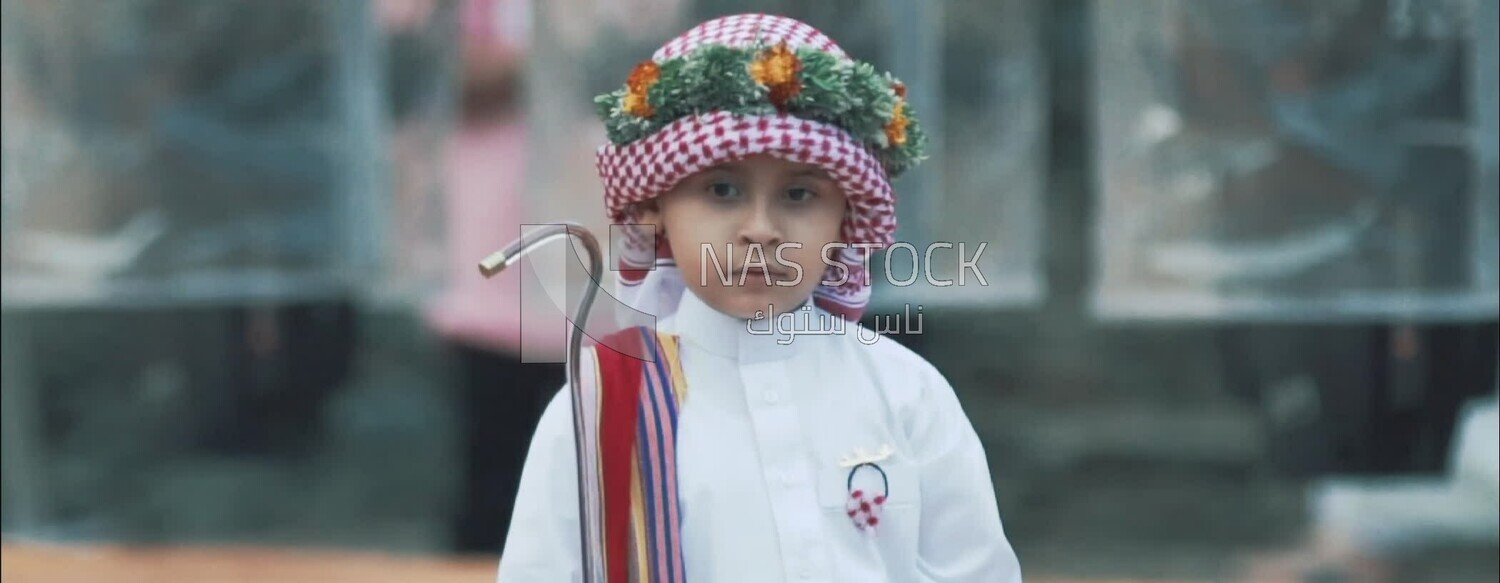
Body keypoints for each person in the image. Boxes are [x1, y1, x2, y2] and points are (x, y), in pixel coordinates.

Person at [495, 14, 1022, 582]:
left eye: (799, 194)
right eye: (722, 190)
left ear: (845, 218)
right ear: (653, 208)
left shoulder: (907, 395)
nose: (760, 229)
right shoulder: (598, 410)